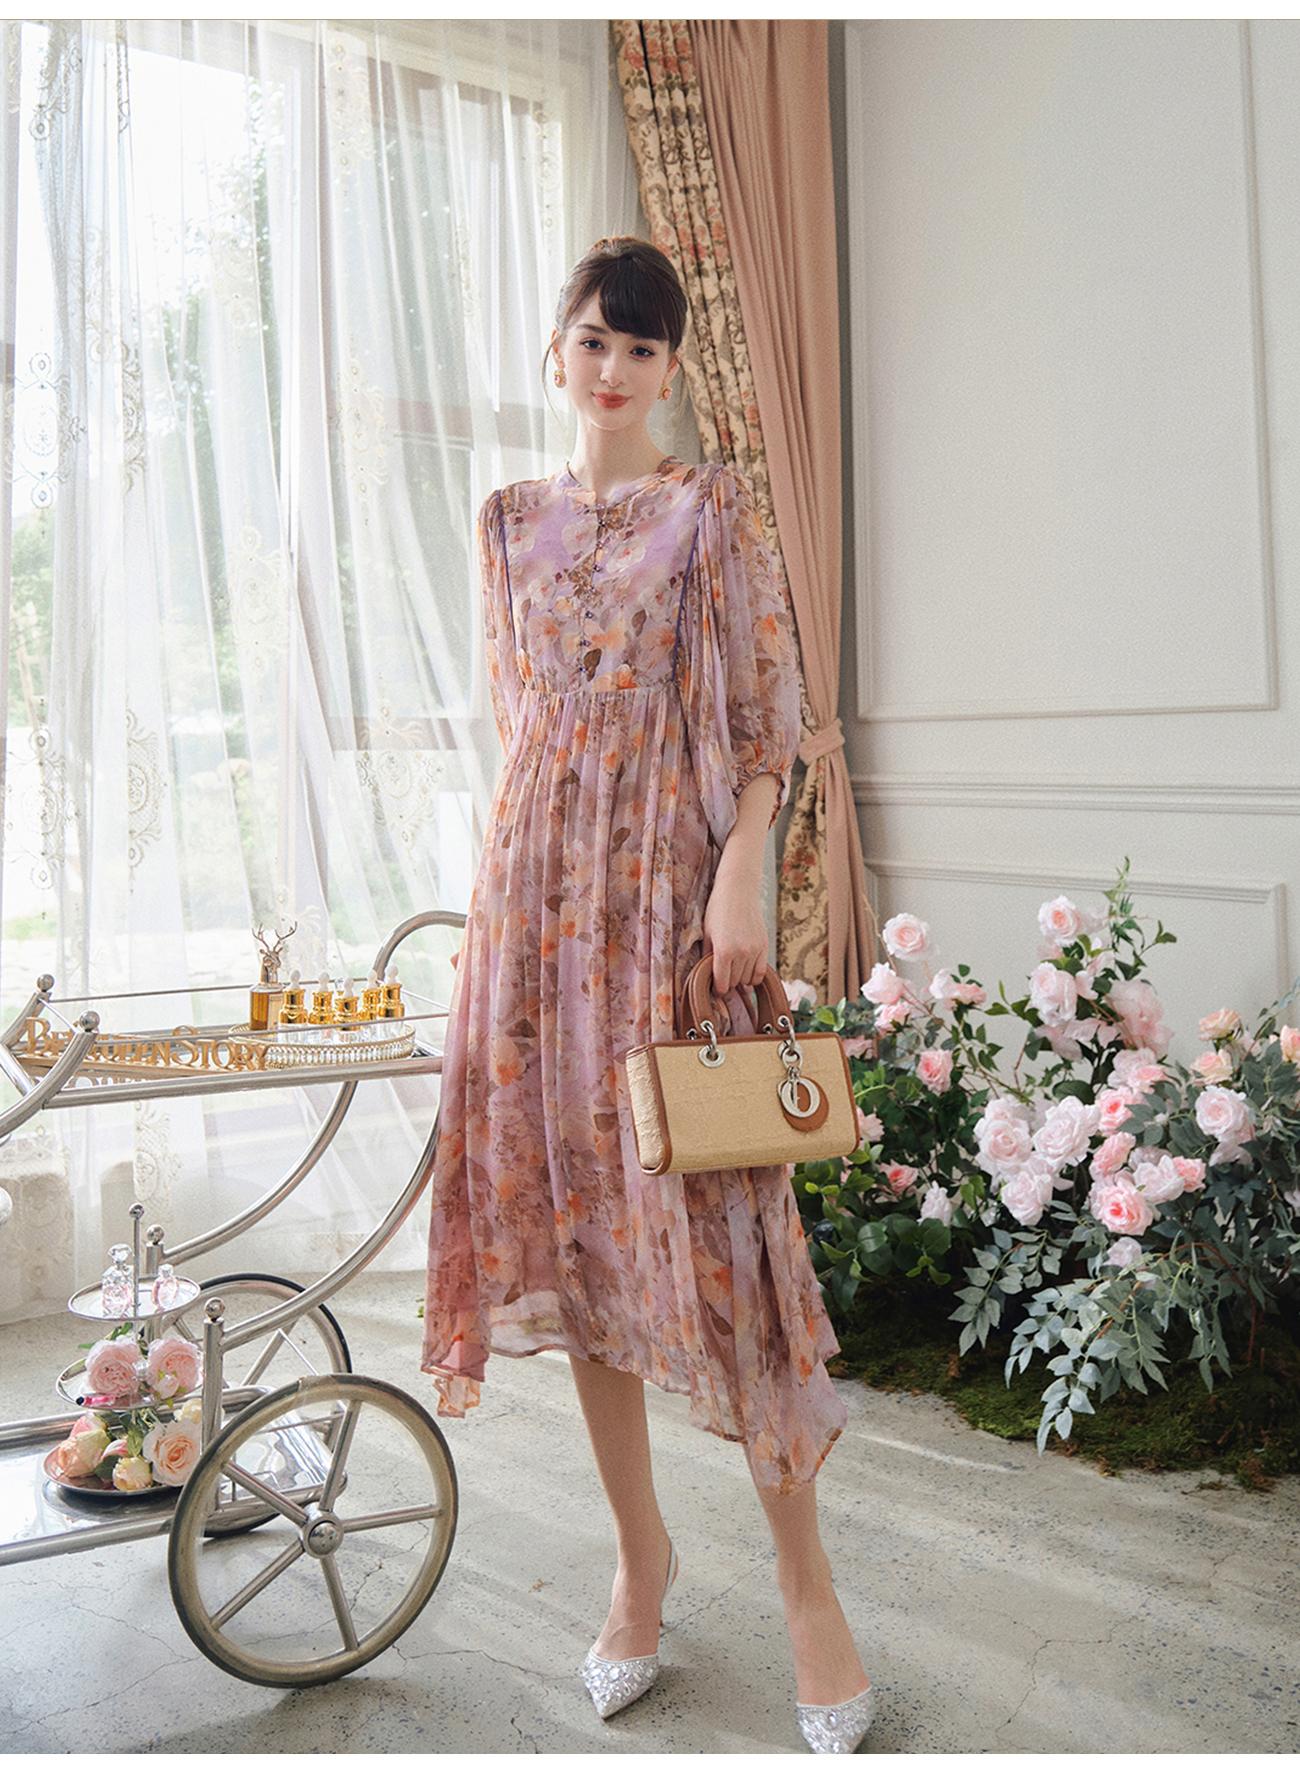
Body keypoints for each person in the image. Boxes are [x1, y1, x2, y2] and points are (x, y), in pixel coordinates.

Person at [421, 236, 873, 1753]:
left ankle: (808, 1592)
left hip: (676, 909)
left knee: (731, 1243)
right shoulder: (505, 522)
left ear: (671, 370)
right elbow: (522, 723)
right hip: (540, 915)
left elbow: (763, 718)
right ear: (555, 352)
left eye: (641, 347)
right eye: (592, 341)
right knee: (581, 1238)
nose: (612, 368)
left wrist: (741, 875)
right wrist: (518, 904)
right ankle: (639, 1561)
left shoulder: (711, 509)